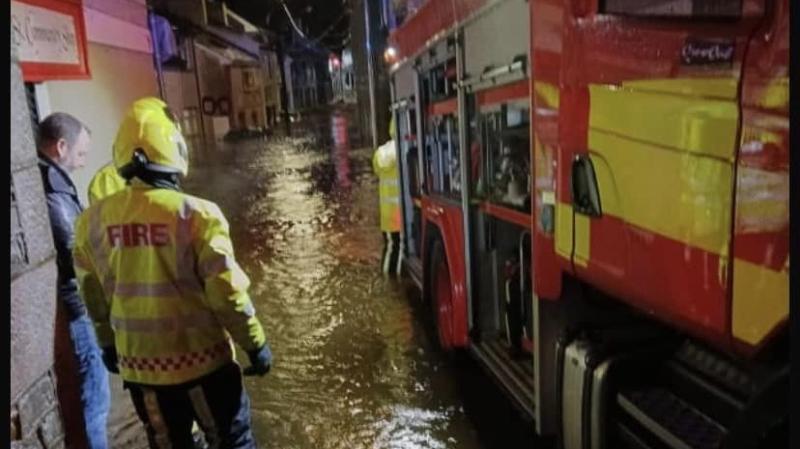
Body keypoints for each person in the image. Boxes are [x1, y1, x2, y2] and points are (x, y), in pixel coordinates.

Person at [73, 97, 272, 449]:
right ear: (173, 150)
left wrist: (107, 345)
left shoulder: (91, 222)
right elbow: (227, 294)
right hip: (204, 365)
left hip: (141, 370)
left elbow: (93, 296)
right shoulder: (198, 215)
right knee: (231, 441)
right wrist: (254, 344)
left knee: (168, 444)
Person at [37, 112, 111, 449]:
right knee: (94, 402)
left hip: (67, 308)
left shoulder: (46, 182)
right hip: (76, 310)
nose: (83, 162)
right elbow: (75, 252)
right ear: (61, 146)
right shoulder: (53, 191)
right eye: (80, 154)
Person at [372, 116, 403, 275]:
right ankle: (392, 281)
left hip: (387, 214)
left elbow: (377, 170)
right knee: (399, 249)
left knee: (391, 247)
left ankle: (388, 280)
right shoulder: (404, 149)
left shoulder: (380, 153)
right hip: (401, 213)